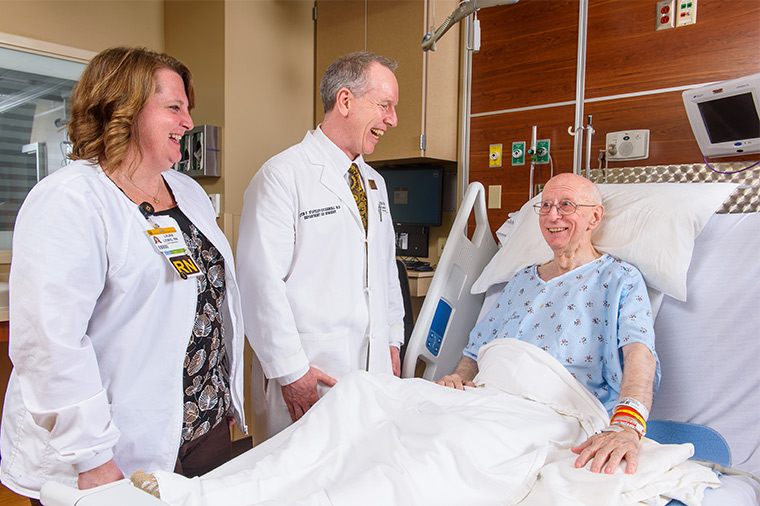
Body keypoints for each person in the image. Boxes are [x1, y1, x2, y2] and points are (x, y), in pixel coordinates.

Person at [0, 47, 247, 503]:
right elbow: (50, 346)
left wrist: (219, 399)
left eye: (187, 109)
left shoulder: (187, 192)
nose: (188, 123)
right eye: (174, 108)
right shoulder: (70, 200)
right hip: (108, 446)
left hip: (201, 427)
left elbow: (204, 302)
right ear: (123, 110)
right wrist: (93, 457)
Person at [437, 172, 660, 475]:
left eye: (566, 205)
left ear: (595, 217)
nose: (553, 215)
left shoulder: (619, 279)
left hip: (557, 410)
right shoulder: (520, 280)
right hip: (488, 398)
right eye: (545, 206)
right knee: (369, 394)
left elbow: (639, 354)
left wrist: (627, 425)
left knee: (452, 444)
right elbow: (476, 352)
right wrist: (455, 380)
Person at [236, 52, 405, 437]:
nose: (393, 119)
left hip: (372, 372)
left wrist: (392, 342)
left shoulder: (374, 183)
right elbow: (259, 283)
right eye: (385, 106)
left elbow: (384, 269)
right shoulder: (282, 176)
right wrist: (291, 369)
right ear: (345, 101)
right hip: (310, 372)